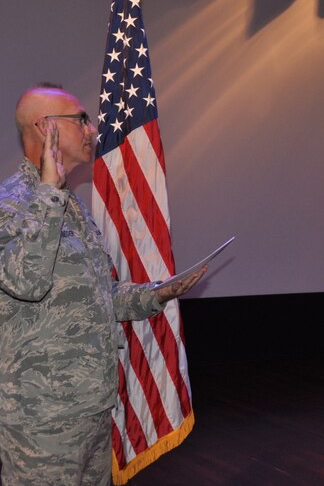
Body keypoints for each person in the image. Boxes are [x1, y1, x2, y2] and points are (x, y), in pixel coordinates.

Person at [0, 84, 208, 486]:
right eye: (80, 119)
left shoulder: (70, 204)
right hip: (40, 419)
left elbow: (101, 295)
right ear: (47, 128)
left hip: (91, 409)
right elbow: (25, 279)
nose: (93, 129)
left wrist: (158, 292)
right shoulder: (11, 205)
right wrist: (48, 193)